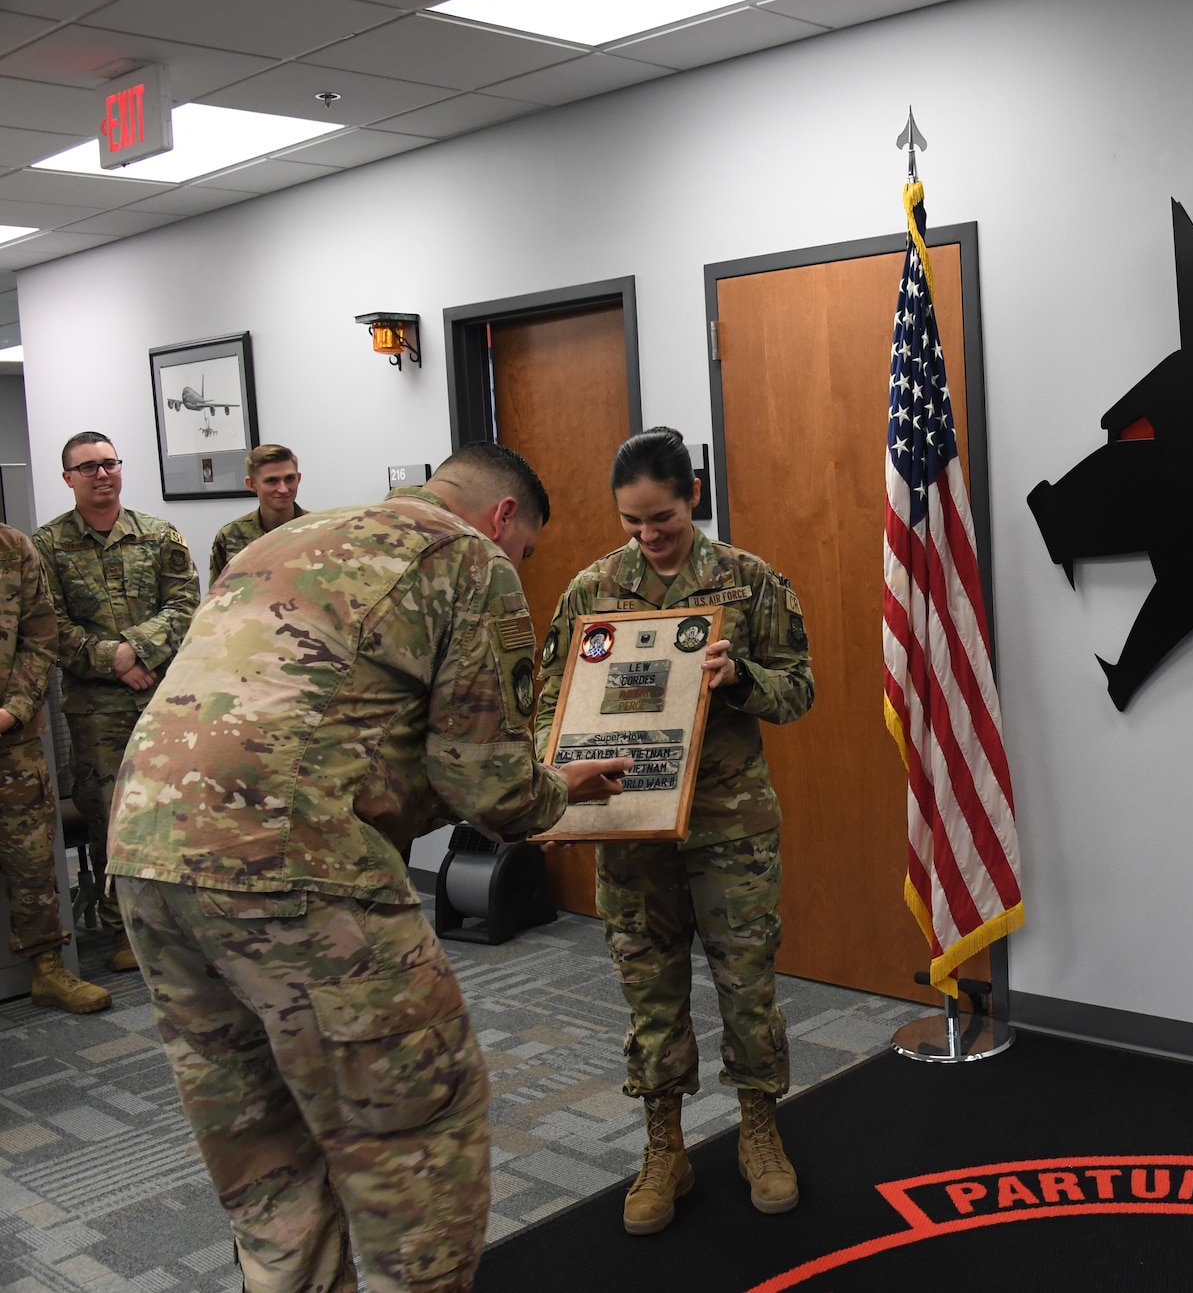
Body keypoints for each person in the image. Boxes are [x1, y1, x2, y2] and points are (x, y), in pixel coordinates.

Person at [106, 444, 631, 1293]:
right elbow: (484, 781)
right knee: (416, 1145)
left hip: (145, 854)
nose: (518, 566)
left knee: (264, 1156)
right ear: (503, 518)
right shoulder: (468, 558)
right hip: (294, 868)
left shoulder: (284, 540)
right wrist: (549, 797)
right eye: (526, 549)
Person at [533, 425, 814, 1236]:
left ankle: (760, 1132)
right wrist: (547, 801)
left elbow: (800, 693)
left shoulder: (749, 581)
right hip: (630, 826)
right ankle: (665, 1148)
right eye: (631, 522)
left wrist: (739, 679)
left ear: (693, 495)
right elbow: (552, 710)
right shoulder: (592, 591)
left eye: (662, 518)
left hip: (730, 827)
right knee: (649, 993)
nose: (648, 536)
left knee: (747, 986)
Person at [32, 431, 198, 971]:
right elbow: (48, 626)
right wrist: (113, 661)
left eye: (110, 464)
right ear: (68, 479)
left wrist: (139, 650)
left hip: (163, 697)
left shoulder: (158, 533)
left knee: (173, 809)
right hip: (96, 708)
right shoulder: (47, 545)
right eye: (89, 468)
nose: (102, 475)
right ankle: (124, 929)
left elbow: (185, 601)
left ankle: (184, 922)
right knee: (111, 818)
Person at [0, 520, 110, 1013]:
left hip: (13, 735)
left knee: (32, 859)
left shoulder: (12, 546)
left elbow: (40, 635)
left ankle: (47, 969)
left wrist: (13, 708)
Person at [208, 442, 308, 581]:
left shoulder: (320, 530)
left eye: (289, 479)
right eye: (272, 481)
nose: (283, 489)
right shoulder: (230, 536)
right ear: (251, 484)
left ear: (298, 479)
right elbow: (216, 597)